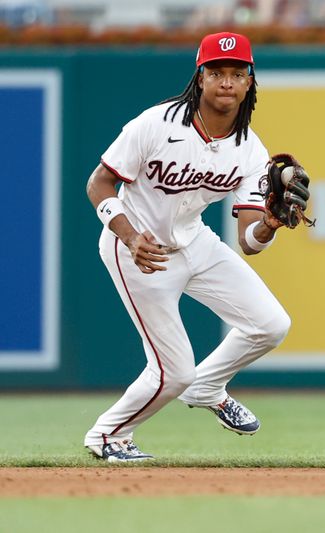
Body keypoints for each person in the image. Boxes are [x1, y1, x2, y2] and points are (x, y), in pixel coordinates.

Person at [84, 31, 297, 461]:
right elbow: (99, 183)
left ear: (249, 82)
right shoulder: (155, 124)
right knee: (173, 372)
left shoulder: (250, 150)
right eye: (216, 72)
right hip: (139, 250)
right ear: (200, 78)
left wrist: (270, 225)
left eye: (237, 73)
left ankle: (209, 386)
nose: (226, 82)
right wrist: (127, 235)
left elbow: (249, 241)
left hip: (195, 241)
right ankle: (108, 436)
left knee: (271, 324)